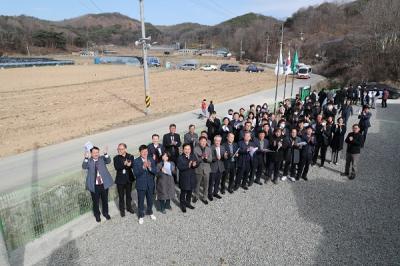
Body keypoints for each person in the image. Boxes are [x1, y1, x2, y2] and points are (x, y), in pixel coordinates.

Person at [82, 146, 113, 223]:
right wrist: (85, 158)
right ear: (91, 153)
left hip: (103, 184)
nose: (96, 154)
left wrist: (105, 153)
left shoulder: (102, 159)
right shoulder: (89, 161)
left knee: (105, 200)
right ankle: (97, 215)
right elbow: (84, 166)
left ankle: (105, 213)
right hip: (94, 185)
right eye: (94, 152)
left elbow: (108, 161)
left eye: (97, 152)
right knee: (95, 201)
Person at [133, 145, 157, 225]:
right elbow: (136, 174)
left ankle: (150, 212)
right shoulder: (136, 161)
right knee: (140, 201)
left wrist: (150, 168)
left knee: (150, 200)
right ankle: (141, 216)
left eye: (146, 151)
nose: (145, 153)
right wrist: (143, 167)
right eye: (143, 152)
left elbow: (155, 171)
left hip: (150, 184)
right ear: (140, 152)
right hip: (141, 185)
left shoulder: (151, 159)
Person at [113, 143, 135, 217]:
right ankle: (122, 210)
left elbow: (133, 165)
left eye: (121, 149)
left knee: (129, 195)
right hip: (120, 180)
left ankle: (129, 207)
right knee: (121, 196)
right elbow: (117, 167)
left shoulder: (130, 156)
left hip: (129, 179)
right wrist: (124, 164)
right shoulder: (116, 158)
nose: (119, 150)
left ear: (125, 149)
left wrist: (130, 165)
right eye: (118, 149)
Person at [177, 144, 198, 212]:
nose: (187, 150)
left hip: (192, 177)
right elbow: (180, 167)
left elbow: (197, 163)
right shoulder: (180, 157)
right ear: (183, 150)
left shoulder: (193, 155)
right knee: (183, 192)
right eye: (185, 149)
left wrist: (195, 165)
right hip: (184, 178)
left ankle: (188, 203)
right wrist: (188, 166)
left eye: (188, 149)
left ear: (190, 150)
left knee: (190, 191)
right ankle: (182, 205)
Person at [193, 136, 212, 204]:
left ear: (206, 142)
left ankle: (204, 197)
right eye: (202, 141)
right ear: (199, 142)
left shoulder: (208, 149)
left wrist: (206, 158)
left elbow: (210, 160)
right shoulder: (195, 149)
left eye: (205, 141)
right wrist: (201, 158)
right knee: (197, 184)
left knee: (206, 185)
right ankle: (196, 196)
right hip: (199, 169)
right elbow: (195, 159)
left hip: (207, 169)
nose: (203, 142)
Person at [209, 135, 225, 200]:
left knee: (218, 181)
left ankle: (215, 193)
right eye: (216, 141)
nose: (218, 142)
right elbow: (209, 158)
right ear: (214, 141)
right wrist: (215, 158)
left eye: (219, 141)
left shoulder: (222, 147)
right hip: (213, 167)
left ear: (220, 141)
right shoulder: (210, 148)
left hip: (220, 167)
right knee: (211, 182)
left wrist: (225, 156)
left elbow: (224, 156)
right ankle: (210, 194)